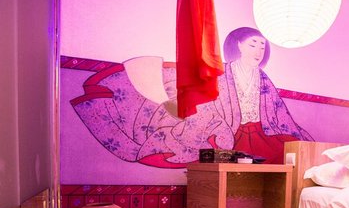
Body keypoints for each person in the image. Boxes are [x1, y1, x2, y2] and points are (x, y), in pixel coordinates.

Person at [70, 27, 312, 168]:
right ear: (239, 45)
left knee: (287, 154)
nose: (258, 50)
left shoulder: (263, 77)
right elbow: (209, 102)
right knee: (216, 153)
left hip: (261, 131)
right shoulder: (223, 72)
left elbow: (279, 111)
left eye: (262, 46)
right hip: (232, 131)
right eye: (253, 44)